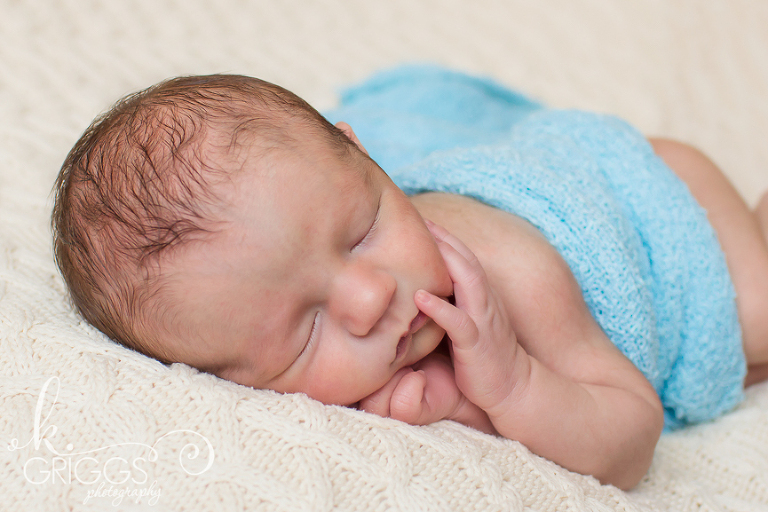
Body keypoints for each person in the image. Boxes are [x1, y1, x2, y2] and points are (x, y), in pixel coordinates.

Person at [52, 72, 768, 490]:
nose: (369, 300)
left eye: (361, 230)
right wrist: (458, 409)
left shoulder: (510, 271)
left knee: (758, 318)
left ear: (367, 159)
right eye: (302, 333)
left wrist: (514, 385)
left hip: (659, 195)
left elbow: (633, 435)